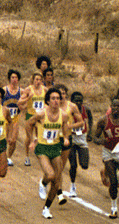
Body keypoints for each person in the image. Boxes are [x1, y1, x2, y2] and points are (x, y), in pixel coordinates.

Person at [25, 88, 70, 219]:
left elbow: (65, 127)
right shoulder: (41, 114)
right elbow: (28, 123)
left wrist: (66, 138)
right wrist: (33, 139)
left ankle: (46, 208)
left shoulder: (64, 115)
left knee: (57, 181)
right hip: (42, 148)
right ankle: (43, 183)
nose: (56, 101)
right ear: (48, 101)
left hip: (55, 148)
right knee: (50, 174)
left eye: (58, 98)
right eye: (53, 98)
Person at [53, 84, 83, 205]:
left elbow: (81, 122)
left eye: (64, 93)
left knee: (60, 167)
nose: (61, 96)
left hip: (67, 138)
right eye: (59, 94)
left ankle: (53, 186)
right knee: (56, 165)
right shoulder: (50, 106)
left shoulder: (72, 106)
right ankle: (59, 192)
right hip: (54, 139)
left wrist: (70, 126)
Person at [17, 73, 47, 166]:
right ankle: (27, 156)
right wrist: (28, 98)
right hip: (30, 115)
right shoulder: (28, 89)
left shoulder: (45, 89)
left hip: (40, 116)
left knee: (40, 137)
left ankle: (41, 156)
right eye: (36, 79)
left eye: (40, 80)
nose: (38, 82)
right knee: (29, 137)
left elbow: (49, 101)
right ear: (33, 80)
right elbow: (19, 102)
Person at [67, 92, 93, 197]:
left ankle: (73, 184)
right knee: (73, 165)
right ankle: (72, 185)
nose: (78, 103)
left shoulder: (86, 109)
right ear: (72, 101)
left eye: (80, 101)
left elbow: (90, 119)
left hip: (82, 137)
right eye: (76, 101)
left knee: (85, 165)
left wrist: (90, 132)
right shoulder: (68, 110)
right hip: (71, 137)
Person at [2, 69, 24, 166]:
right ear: (9, 79)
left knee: (13, 140)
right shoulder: (4, 90)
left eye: (16, 78)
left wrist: (22, 107)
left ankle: (8, 157)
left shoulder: (22, 91)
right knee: (4, 139)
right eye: (12, 77)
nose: (14, 79)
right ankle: (1, 156)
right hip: (5, 119)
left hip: (15, 118)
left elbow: (26, 104)